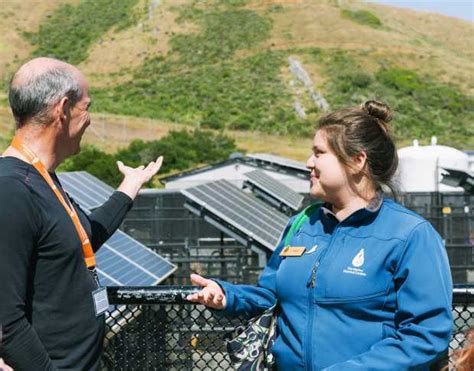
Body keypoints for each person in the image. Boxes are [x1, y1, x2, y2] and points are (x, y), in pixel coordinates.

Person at [187, 100, 453, 370]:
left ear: (357, 161)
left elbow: (425, 335)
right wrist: (227, 296)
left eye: (319, 153)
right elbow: (271, 295)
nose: (308, 162)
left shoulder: (411, 235)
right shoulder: (302, 224)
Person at [0, 57, 163, 370]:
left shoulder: (41, 180)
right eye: (86, 107)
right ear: (62, 110)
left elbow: (81, 238)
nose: (89, 119)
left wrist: (129, 188)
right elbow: (6, 318)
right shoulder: (11, 190)